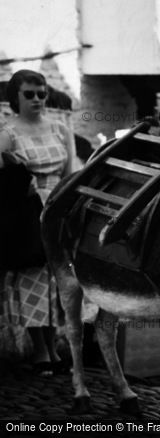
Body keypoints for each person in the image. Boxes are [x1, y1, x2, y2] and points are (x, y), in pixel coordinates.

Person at [0, 69, 76, 375]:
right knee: (32, 274)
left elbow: (71, 173)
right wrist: (18, 185)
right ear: (15, 98)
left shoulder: (60, 129)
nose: (36, 99)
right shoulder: (7, 134)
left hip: (57, 207)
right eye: (29, 94)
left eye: (41, 93)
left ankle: (56, 348)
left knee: (56, 279)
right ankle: (40, 351)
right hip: (25, 211)